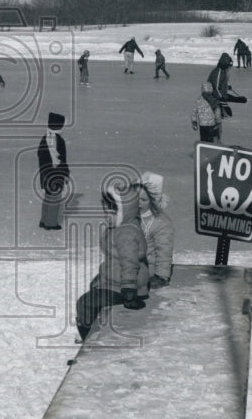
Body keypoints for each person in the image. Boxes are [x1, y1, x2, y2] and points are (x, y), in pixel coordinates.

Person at [75, 183, 149, 341]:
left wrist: (129, 289)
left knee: (85, 302)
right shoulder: (120, 227)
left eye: (111, 214)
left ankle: (87, 337)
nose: (107, 217)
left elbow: (130, 262)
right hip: (117, 279)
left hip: (125, 286)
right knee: (94, 287)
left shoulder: (126, 233)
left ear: (124, 212)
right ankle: (99, 322)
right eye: (105, 212)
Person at [198, 52, 246, 143]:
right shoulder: (219, 71)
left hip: (215, 102)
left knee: (217, 124)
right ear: (226, 64)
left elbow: (222, 91)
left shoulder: (223, 72)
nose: (230, 68)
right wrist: (224, 103)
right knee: (213, 124)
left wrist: (238, 99)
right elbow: (216, 89)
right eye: (229, 66)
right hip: (211, 103)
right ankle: (211, 144)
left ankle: (216, 143)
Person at [137, 172, 174, 288]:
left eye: (143, 200)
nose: (138, 203)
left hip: (147, 266)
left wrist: (161, 276)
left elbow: (164, 251)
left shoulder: (161, 223)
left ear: (153, 201)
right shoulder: (130, 216)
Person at [37, 112, 70, 230]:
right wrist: (65, 173)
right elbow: (62, 159)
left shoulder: (46, 137)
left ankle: (44, 219)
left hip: (46, 173)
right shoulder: (58, 140)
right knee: (55, 199)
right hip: (55, 173)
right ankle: (50, 223)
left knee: (48, 197)